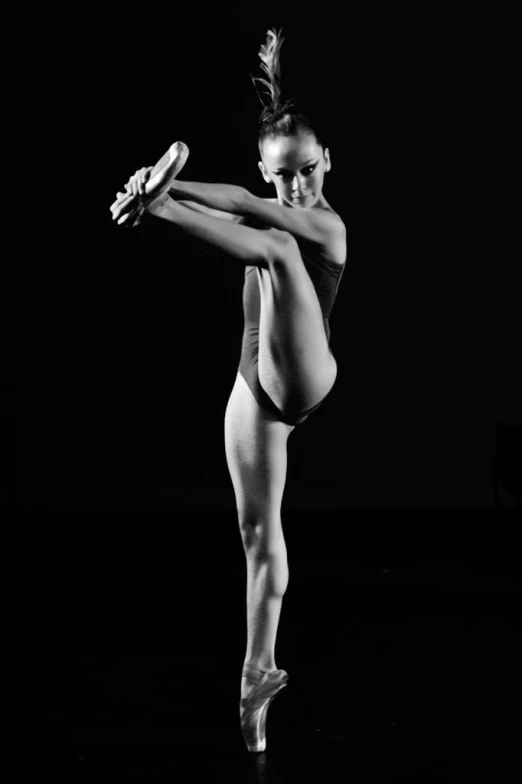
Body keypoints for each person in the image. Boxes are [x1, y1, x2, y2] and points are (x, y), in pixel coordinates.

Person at [110, 28, 347, 753]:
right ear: (266, 170)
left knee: (272, 245)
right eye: (283, 176)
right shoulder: (262, 196)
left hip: (308, 372)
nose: (296, 186)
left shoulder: (327, 224)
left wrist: (162, 198)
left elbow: (255, 210)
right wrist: (169, 183)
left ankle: (156, 212)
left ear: (325, 161)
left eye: (306, 170)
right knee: (258, 540)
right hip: (255, 387)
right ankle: (254, 682)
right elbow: (241, 200)